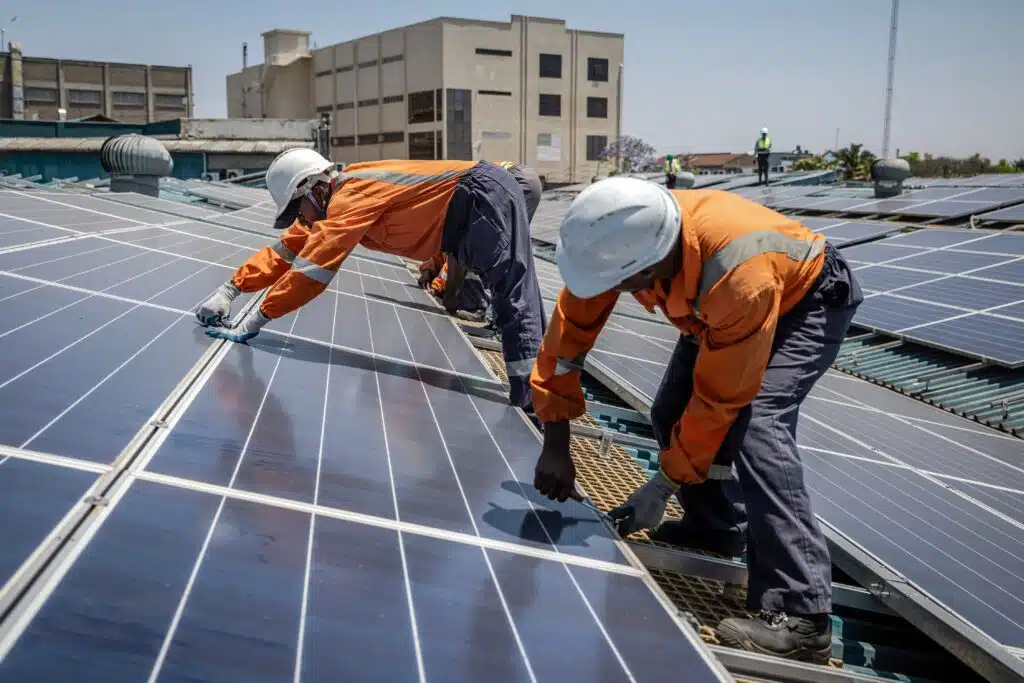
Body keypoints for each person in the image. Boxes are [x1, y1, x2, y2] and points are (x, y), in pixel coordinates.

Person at [529, 176, 862, 663]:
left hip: (803, 300)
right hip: (710, 305)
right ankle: (714, 526)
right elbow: (566, 341)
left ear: (651, 265)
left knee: (756, 426)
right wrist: (555, 440)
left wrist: (661, 485)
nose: (615, 293)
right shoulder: (619, 238)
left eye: (624, 284)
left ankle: (801, 614)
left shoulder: (736, 276)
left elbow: (718, 401)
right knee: (668, 410)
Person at [195, 148, 545, 408]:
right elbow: (286, 252)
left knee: (510, 291)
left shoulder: (351, 196)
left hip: (482, 196)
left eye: (295, 208)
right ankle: (533, 393)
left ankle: (533, 402)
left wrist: (256, 319)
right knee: (507, 288)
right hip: (464, 214)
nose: (297, 218)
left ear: (312, 189)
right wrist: (231, 289)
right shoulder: (333, 202)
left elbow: (313, 270)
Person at [417, 161, 542, 315]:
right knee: (502, 249)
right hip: (519, 178)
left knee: (482, 247)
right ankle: (496, 313)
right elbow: (442, 254)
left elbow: (457, 253)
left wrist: (447, 293)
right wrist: (428, 271)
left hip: (515, 180)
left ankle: (479, 307)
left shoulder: (452, 206)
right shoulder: (447, 201)